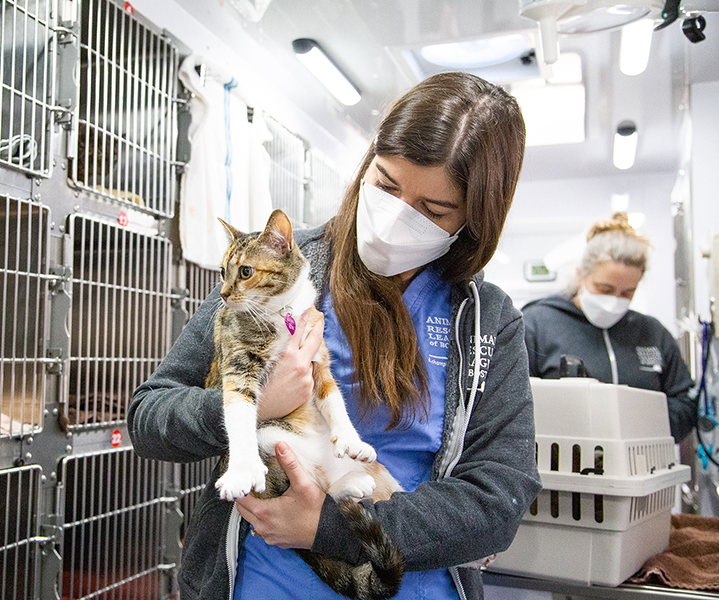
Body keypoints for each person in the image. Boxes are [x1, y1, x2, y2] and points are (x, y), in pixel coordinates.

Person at [129, 72, 541, 600]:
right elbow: (150, 415)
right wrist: (252, 403)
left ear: (475, 218)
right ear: (368, 161)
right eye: (387, 184)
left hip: (409, 580)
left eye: (433, 210)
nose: (395, 218)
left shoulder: (485, 320)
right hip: (264, 579)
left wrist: (327, 526)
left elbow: (498, 500)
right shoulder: (283, 270)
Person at [522, 212, 698, 443]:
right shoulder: (536, 324)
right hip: (563, 464)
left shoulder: (652, 332)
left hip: (642, 462)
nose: (615, 300)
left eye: (627, 293)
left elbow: (685, 399)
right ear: (580, 275)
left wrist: (642, 427)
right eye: (604, 289)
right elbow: (516, 404)